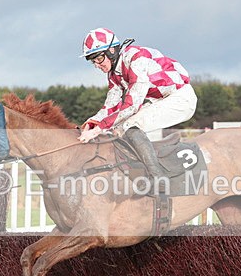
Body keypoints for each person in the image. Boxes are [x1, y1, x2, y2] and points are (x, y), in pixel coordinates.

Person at [78, 27, 197, 179]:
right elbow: (111, 106)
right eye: (93, 61)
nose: (97, 65)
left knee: (129, 125)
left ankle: (157, 177)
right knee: (119, 127)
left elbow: (132, 105)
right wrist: (93, 122)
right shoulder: (114, 73)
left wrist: (99, 129)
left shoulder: (136, 59)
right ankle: (136, 174)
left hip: (181, 99)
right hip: (161, 99)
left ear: (112, 51)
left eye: (99, 58)